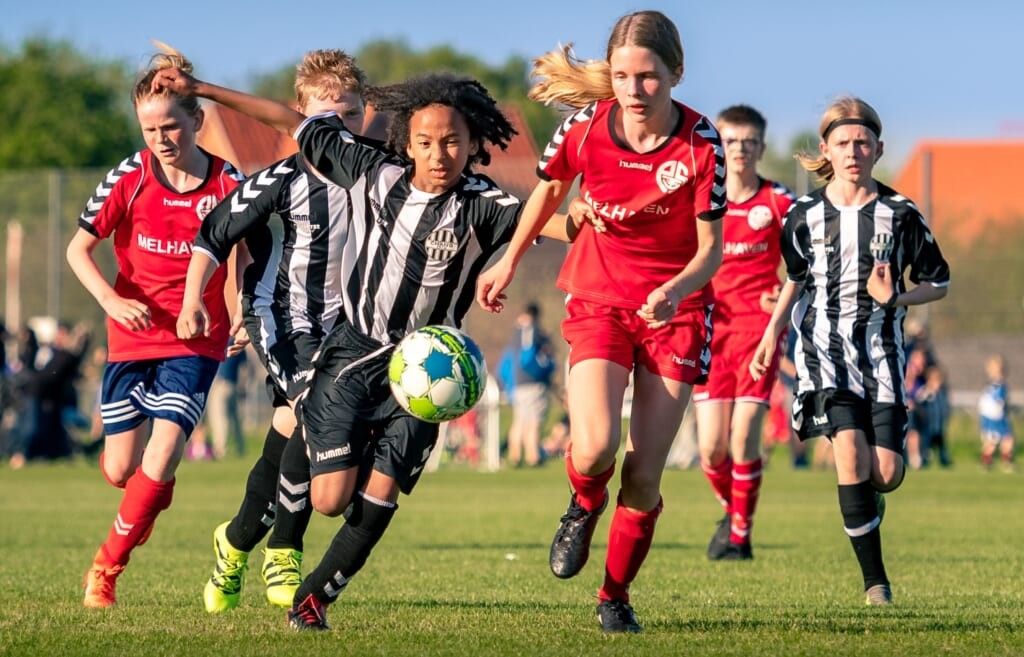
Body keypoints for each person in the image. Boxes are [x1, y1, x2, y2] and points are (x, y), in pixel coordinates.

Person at [152, 64, 580, 630]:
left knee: (382, 493)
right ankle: (266, 533)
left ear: (473, 141)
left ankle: (312, 601)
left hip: (426, 371)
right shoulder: (373, 171)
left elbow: (551, 222)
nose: (439, 155)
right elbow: (292, 121)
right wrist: (203, 90)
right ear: (407, 142)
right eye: (425, 142)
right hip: (352, 356)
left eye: (453, 142)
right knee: (329, 500)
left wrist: (589, 217)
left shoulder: (482, 202)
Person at [476, 10, 726, 632]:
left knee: (642, 475)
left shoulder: (702, 142)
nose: (634, 90)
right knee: (592, 449)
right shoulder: (584, 127)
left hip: (676, 312)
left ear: (677, 73)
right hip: (599, 299)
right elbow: (546, 192)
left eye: (648, 77)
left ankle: (614, 596)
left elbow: (710, 252)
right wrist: (508, 262)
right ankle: (583, 503)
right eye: (621, 76)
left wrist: (674, 290)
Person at [173, 49, 371, 613]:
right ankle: (284, 548)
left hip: (347, 331)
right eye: (325, 118)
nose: (339, 129)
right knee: (315, 415)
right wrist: (194, 299)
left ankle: (234, 543)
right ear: (300, 118)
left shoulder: (376, 174)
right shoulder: (281, 180)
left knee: (289, 430)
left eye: (350, 115)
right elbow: (214, 235)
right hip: (283, 319)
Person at [750, 97, 950, 606]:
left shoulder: (900, 214)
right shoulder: (802, 215)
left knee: (886, 473)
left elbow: (939, 281)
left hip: (883, 358)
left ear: (878, 149)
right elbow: (795, 278)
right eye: (843, 143)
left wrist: (897, 298)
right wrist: (772, 332)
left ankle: (867, 503)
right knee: (850, 454)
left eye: (863, 142)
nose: (853, 151)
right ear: (826, 150)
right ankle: (876, 583)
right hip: (823, 355)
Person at [66, 44, 242, 609]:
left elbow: (246, 254)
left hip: (195, 339)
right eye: (150, 129)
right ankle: (146, 495)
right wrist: (111, 301)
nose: (161, 138)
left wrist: (240, 309)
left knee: (162, 454)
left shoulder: (228, 183)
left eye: (171, 126)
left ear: (197, 120)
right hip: (132, 334)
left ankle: (105, 569)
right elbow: (77, 250)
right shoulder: (131, 175)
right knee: (123, 470)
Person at [690, 105, 795, 561]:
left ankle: (740, 538)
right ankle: (735, 514)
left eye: (749, 142)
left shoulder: (778, 201)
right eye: (731, 141)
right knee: (712, 449)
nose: (740, 150)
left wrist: (785, 299)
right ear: (719, 146)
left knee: (744, 435)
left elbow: (810, 259)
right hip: (710, 331)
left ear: (761, 148)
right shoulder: (699, 200)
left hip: (758, 331)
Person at [505, 302, 555, 468]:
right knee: (534, 420)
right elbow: (532, 355)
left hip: (517, 382)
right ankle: (533, 456)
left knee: (519, 420)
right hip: (533, 382)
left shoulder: (516, 332)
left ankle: (514, 455)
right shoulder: (533, 330)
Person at [979, 355, 1014, 472]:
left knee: (1007, 439)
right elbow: (993, 401)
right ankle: (987, 462)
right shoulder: (995, 385)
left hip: (999, 416)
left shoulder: (999, 384)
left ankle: (1006, 462)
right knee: (992, 441)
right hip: (993, 417)